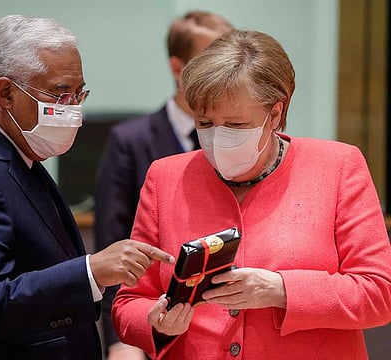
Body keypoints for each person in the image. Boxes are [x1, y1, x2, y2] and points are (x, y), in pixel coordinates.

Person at [112, 29, 391, 359]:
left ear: (274, 114)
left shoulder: (337, 166)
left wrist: (282, 290)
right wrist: (155, 322)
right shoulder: (165, 176)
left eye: (236, 125)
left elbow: (379, 294)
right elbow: (129, 301)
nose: (217, 138)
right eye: (204, 123)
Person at [0, 15, 175, 360]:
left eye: (79, 93)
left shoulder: (15, 152)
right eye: (60, 93)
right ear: (5, 92)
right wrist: (90, 271)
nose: (74, 108)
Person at [94, 11, 233, 359]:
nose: (224, 73)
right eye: (210, 61)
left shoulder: (241, 139)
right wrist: (120, 340)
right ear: (177, 68)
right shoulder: (130, 140)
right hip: (157, 324)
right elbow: (116, 247)